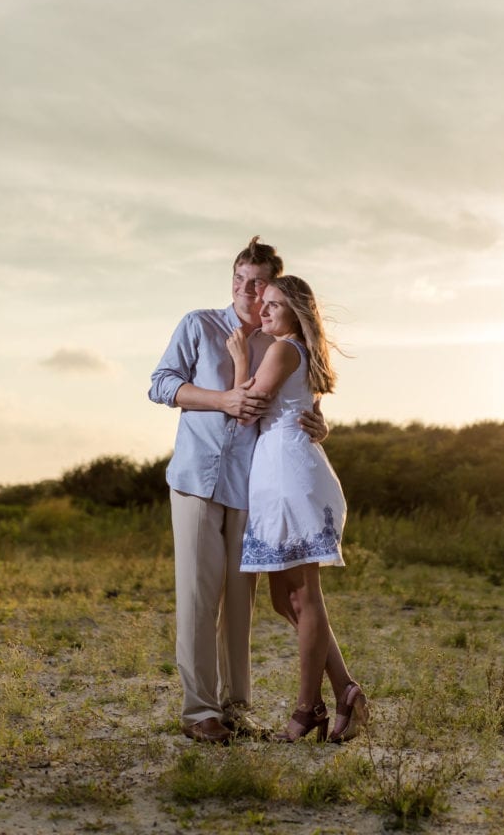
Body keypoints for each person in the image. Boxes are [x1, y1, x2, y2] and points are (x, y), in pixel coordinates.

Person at [148, 237, 327, 745]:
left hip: (252, 487)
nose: (247, 291)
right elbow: (161, 384)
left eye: (258, 283)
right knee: (199, 596)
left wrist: (317, 421)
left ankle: (237, 707)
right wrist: (221, 399)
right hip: (195, 480)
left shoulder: (277, 340)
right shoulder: (198, 325)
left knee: (240, 605)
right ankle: (199, 710)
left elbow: (295, 399)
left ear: (272, 286)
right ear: (232, 280)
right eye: (240, 280)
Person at [227, 275, 368, 743]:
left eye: (274, 305)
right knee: (282, 598)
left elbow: (245, 408)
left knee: (305, 597)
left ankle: (307, 709)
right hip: (278, 472)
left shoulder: (282, 350)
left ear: (296, 313)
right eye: (263, 303)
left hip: (290, 474)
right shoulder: (295, 351)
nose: (264, 312)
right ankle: (346, 690)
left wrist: (241, 358)